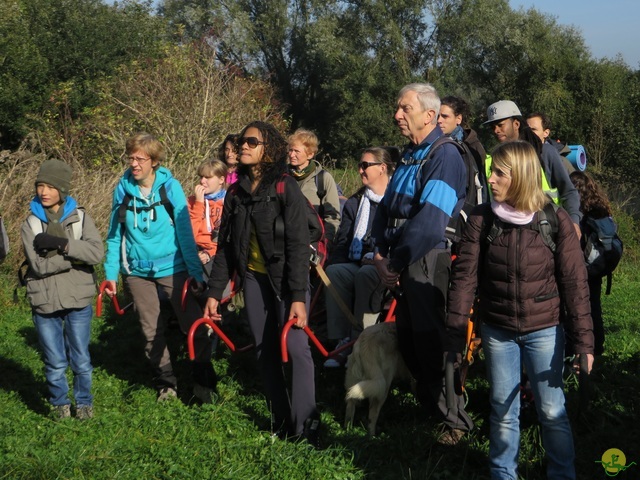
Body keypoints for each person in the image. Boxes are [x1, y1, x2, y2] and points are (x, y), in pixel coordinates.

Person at [446, 141, 594, 479]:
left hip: (545, 330)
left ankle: (562, 473)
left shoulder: (552, 220)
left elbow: (575, 286)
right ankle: (503, 474)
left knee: (553, 410)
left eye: (499, 172)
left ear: (523, 177)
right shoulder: (481, 219)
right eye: (492, 171)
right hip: (497, 331)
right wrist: (454, 337)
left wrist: (584, 345)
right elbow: (464, 281)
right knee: (502, 410)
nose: (491, 179)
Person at [203, 121, 320, 445]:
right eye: (242, 140)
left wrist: (298, 296)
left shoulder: (285, 187)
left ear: (268, 148)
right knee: (264, 351)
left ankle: (306, 426)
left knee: (296, 349)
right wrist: (215, 292)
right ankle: (282, 422)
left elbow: (298, 246)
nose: (243, 145)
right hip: (254, 279)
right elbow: (226, 246)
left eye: (251, 141)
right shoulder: (236, 193)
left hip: (287, 280)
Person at [372, 83, 474, 445]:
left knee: (432, 341)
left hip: (426, 258)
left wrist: (395, 262)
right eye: (397, 108)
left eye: (405, 109)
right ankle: (432, 408)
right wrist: (379, 250)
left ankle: (456, 422)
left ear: (429, 115)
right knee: (410, 340)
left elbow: (431, 221)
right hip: (401, 258)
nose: (397, 115)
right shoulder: (409, 154)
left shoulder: (445, 156)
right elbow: (385, 208)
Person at [103, 133, 217, 403]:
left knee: (194, 324)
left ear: (153, 161)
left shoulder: (170, 187)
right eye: (131, 157)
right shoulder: (122, 189)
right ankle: (166, 384)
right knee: (150, 330)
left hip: (174, 268)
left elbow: (185, 234)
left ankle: (203, 381)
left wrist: (195, 272)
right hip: (137, 272)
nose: (134, 163)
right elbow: (114, 236)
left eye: (140, 158)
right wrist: (110, 274)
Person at [21, 159, 104, 419]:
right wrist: (75, 257)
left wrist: (62, 244)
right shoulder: (31, 223)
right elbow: (38, 266)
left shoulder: (80, 217)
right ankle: (59, 404)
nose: (43, 192)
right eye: (40, 186)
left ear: (62, 190)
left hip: (78, 299)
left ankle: (84, 403)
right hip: (44, 301)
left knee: (81, 358)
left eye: (50, 186)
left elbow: (97, 253)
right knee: (55, 360)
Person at [323, 147, 394, 368]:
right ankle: (341, 341)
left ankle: (361, 342)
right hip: (357, 261)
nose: (360, 170)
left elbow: (398, 237)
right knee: (334, 272)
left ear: (382, 168)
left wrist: (376, 256)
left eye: (365, 165)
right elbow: (343, 241)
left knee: (366, 274)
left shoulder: (396, 199)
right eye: (359, 165)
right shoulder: (355, 202)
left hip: (386, 264)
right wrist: (333, 263)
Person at [484, 100, 582, 237]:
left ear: (516, 124)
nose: (496, 131)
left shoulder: (545, 153)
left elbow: (569, 192)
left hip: (546, 235)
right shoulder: (491, 159)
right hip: (504, 235)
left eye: (500, 125)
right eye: (492, 127)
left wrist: (574, 223)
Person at [570, 170, 613, 355]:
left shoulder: (578, 212)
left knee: (577, 308)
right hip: (597, 266)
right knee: (594, 306)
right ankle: (598, 347)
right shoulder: (601, 208)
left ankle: (577, 350)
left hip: (581, 267)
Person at [287, 128, 341, 247]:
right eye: (290, 150)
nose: (291, 155)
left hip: (312, 243)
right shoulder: (282, 176)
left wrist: (326, 243)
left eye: (296, 151)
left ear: (310, 154)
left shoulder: (323, 179)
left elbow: (332, 216)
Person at [187, 159, 227, 279]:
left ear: (221, 180)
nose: (202, 181)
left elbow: (227, 238)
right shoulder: (191, 202)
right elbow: (190, 235)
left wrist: (209, 253)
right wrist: (199, 204)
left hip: (218, 252)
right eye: (201, 177)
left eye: (208, 177)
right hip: (194, 250)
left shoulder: (229, 202)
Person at [439, 95, 488, 180]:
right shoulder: (433, 144)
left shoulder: (473, 147)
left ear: (458, 119)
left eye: (445, 116)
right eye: (437, 116)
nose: (439, 120)